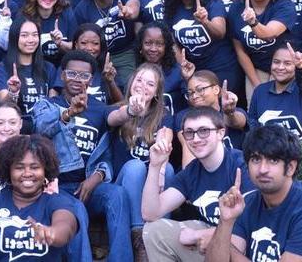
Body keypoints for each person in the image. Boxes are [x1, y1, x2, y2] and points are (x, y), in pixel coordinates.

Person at [34, 50, 132, 262]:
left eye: (84, 76)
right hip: (56, 187)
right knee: (75, 208)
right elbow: (41, 127)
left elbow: (116, 118)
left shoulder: (100, 109)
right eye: (72, 74)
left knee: (117, 194)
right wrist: (68, 113)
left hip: (89, 185)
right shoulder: (46, 105)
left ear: (91, 79)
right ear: (62, 75)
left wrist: (131, 109)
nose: (78, 80)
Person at [204, 124, 302, 262]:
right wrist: (225, 222)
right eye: (256, 159)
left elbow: (229, 252)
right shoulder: (247, 203)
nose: (262, 169)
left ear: (290, 167)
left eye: (273, 160)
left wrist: (230, 249)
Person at [142, 107, 254, 262]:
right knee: (153, 230)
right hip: (212, 240)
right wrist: (155, 166)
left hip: (243, 244)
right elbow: (150, 213)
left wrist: (198, 235)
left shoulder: (242, 165)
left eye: (203, 131)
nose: (195, 139)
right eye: (189, 133)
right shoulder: (192, 172)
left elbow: (250, 224)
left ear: (221, 133)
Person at [0, 134, 79, 262]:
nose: (27, 173)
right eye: (19, 167)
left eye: (35, 167)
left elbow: (66, 227)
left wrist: (52, 233)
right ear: (8, 171)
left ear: (45, 170)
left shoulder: (57, 202)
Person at [106, 63, 174, 258]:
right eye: (139, 80)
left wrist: (160, 171)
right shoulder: (117, 109)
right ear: (131, 82)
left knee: (168, 169)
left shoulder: (163, 115)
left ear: (156, 93)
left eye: (150, 84)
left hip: (152, 185)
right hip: (124, 182)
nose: (143, 86)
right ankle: (138, 237)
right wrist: (131, 111)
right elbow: (113, 119)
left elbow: (165, 137)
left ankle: (160, 232)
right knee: (136, 167)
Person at [162, 0, 241, 94]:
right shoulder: (171, 10)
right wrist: (183, 63)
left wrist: (205, 21)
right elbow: (173, 44)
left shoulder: (212, 2)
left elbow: (220, 32)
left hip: (222, 68)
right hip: (195, 71)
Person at [227, 0, 296, 101]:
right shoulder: (235, 8)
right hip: (256, 69)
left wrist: (253, 22)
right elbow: (240, 51)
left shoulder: (285, 6)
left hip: (283, 66)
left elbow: (268, 34)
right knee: (257, 111)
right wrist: (256, 84)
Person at [246, 43, 302, 142]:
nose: (280, 67)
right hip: (280, 155)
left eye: (287, 63)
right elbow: (253, 126)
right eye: (276, 62)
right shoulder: (260, 91)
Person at [74, 0, 141, 83]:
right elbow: (78, 39)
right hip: (96, 56)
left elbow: (134, 4)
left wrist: (129, 11)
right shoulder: (82, 8)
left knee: (128, 85)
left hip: (124, 52)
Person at [0, 17, 57, 128]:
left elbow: (52, 105)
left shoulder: (49, 68)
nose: (31, 40)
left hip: (43, 131)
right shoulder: (2, 68)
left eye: (35, 35)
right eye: (24, 35)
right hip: (15, 131)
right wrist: (13, 92)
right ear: (14, 37)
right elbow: (4, 106)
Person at [175, 70, 246, 165]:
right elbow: (188, 150)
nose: (194, 96)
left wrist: (229, 113)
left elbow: (238, 122)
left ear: (216, 89)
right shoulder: (184, 116)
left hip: (235, 168)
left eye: (200, 89)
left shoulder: (231, 111)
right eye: (190, 93)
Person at [5, 0, 77, 65]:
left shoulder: (66, 12)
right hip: (34, 68)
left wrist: (60, 43)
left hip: (62, 68)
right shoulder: (24, 15)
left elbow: (76, 47)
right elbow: (15, 48)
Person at [135, 22, 185, 117]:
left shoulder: (178, 73)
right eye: (148, 43)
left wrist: (188, 79)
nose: (153, 49)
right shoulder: (135, 74)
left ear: (166, 47)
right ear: (140, 45)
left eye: (159, 44)